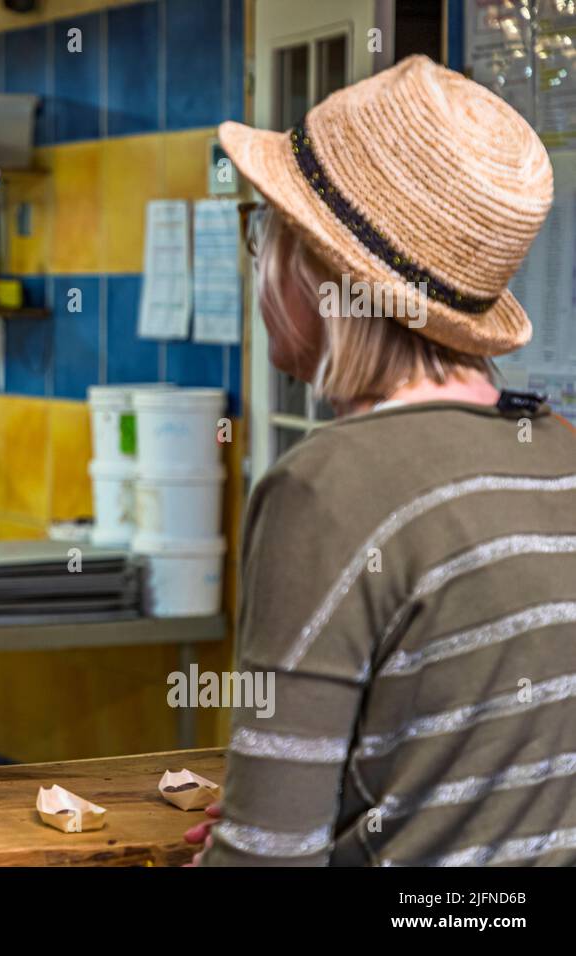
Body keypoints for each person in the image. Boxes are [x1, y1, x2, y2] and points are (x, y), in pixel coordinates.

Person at [190, 56, 576, 865]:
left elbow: (265, 860)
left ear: (318, 272)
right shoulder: (563, 452)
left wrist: (258, 836)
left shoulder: (328, 489)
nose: (257, 261)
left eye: (265, 229)